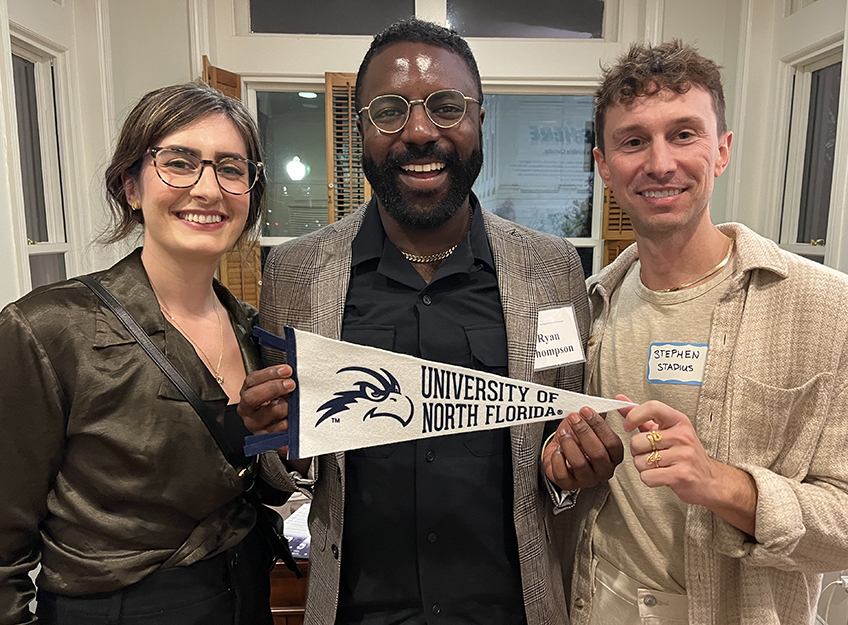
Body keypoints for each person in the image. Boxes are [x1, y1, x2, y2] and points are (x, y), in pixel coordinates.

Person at [238, 17, 622, 625]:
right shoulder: (294, 273)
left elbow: (556, 438)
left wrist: (572, 469)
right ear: (360, 128)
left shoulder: (552, 270)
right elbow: (289, 469)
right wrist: (278, 443)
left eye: (446, 106)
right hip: (356, 611)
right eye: (389, 111)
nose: (420, 131)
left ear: (479, 121)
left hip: (512, 610)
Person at [549, 41, 848, 625]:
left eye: (684, 134)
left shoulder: (832, 311)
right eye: (634, 140)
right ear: (604, 166)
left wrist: (721, 484)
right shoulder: (592, 307)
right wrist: (564, 469)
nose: (660, 163)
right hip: (593, 602)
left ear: (722, 150)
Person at [0, 82, 283, 624]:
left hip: (245, 595)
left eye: (231, 168)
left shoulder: (253, 331)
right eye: (179, 162)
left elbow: (233, 474)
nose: (208, 189)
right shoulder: (50, 328)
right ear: (131, 185)